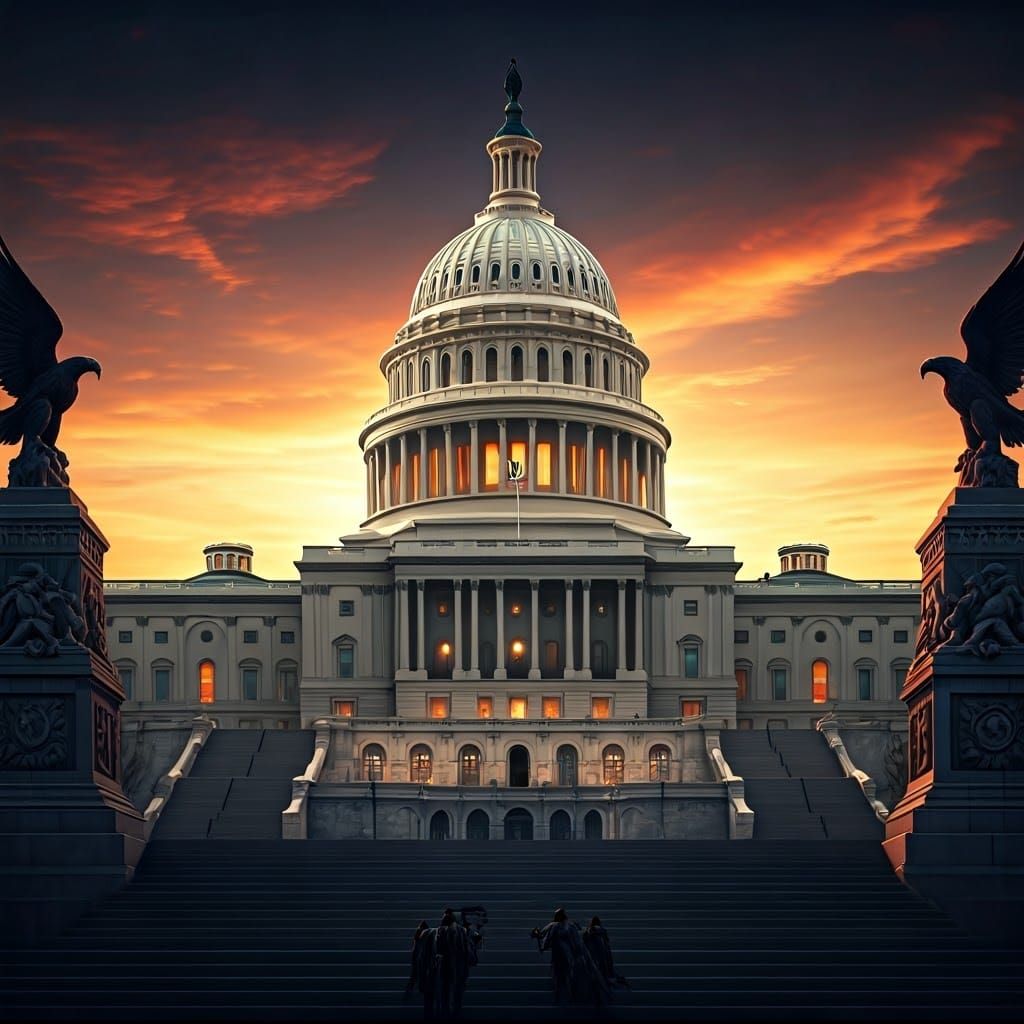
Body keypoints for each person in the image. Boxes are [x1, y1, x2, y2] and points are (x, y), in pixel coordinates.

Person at [531, 908, 609, 1007]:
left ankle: (563, 997)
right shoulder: (569, 925)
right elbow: (577, 940)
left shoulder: (555, 926)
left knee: (560, 976)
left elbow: (544, 941)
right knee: (568, 974)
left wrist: (538, 937)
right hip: (568, 955)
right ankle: (571, 995)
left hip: (561, 956)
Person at [583, 916, 628, 989]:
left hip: (592, 955)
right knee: (605, 972)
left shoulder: (588, 932)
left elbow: (584, 943)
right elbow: (607, 945)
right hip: (603, 956)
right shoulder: (603, 931)